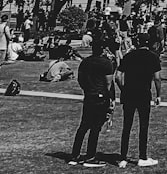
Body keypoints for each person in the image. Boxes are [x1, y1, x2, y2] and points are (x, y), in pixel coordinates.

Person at [116, 35, 162, 168]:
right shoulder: (153, 57)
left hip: (129, 93)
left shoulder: (129, 56)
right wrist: (158, 95)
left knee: (127, 126)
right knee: (143, 126)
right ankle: (142, 156)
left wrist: (123, 89)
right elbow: (157, 78)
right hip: (143, 93)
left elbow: (118, 76)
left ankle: (123, 157)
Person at [69, 39, 116, 167]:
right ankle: (90, 156)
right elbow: (108, 83)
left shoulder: (85, 62)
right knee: (95, 128)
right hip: (100, 97)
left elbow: (81, 79)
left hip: (89, 95)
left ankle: (75, 155)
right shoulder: (106, 63)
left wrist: (88, 89)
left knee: (83, 126)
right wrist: (110, 98)